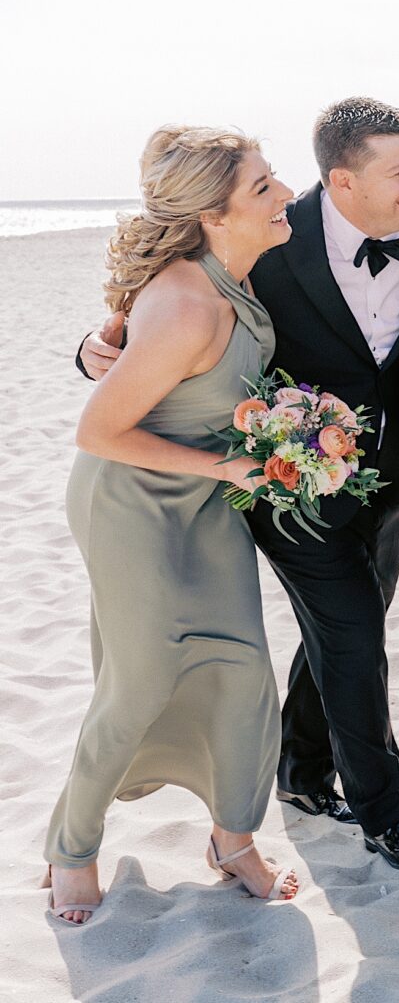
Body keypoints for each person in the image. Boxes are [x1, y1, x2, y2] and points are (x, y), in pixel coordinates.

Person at [79, 99, 399, 869]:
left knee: (351, 625)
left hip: (387, 480)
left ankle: (302, 770)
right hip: (286, 488)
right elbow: (152, 310)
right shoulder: (268, 243)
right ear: (344, 179)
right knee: (354, 633)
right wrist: (91, 346)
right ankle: (389, 812)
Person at [46, 126, 301, 924]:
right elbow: (98, 430)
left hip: (201, 500)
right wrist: (228, 467)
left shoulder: (236, 274)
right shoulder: (190, 302)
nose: (285, 193)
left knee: (244, 670)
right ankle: (71, 849)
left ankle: (233, 840)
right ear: (215, 216)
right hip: (132, 505)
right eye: (263, 187)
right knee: (143, 679)